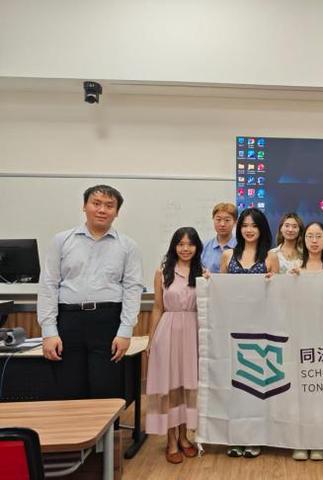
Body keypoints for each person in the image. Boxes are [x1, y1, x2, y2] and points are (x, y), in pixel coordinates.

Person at [37, 185, 144, 401]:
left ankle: (106, 426)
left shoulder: (128, 246)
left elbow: (132, 289)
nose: (102, 210)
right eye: (96, 204)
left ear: (117, 212)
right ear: (84, 206)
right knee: (69, 389)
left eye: (109, 206)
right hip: (68, 321)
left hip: (108, 322)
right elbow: (48, 285)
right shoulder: (62, 240)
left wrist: (125, 331)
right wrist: (49, 331)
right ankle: (72, 425)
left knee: (106, 389)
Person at [220, 208, 279, 458]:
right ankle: (235, 437)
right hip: (233, 330)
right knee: (234, 385)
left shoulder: (271, 257)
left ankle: (255, 437)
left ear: (262, 228)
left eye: (254, 225)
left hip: (261, 331)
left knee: (257, 384)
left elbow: (277, 296)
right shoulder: (228, 255)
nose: (249, 229)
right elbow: (220, 291)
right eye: (244, 225)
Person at [146, 227, 203, 464]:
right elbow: (157, 307)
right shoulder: (162, 272)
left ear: (197, 247)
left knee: (187, 386)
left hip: (193, 332)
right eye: (180, 244)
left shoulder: (202, 273)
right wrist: (151, 340)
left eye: (190, 244)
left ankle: (184, 436)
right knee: (169, 387)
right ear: (174, 246)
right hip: (167, 331)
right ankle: (170, 440)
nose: (185, 249)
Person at [289, 222, 323, 461]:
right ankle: (300, 441)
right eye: (310, 236)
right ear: (304, 239)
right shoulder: (295, 267)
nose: (314, 240)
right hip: (301, 336)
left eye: (319, 236)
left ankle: (320, 441)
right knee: (300, 392)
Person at [201, 202, 237, 273]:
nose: (222, 224)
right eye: (218, 219)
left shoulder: (241, 246)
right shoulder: (204, 247)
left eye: (227, 220)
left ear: (235, 222)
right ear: (213, 220)